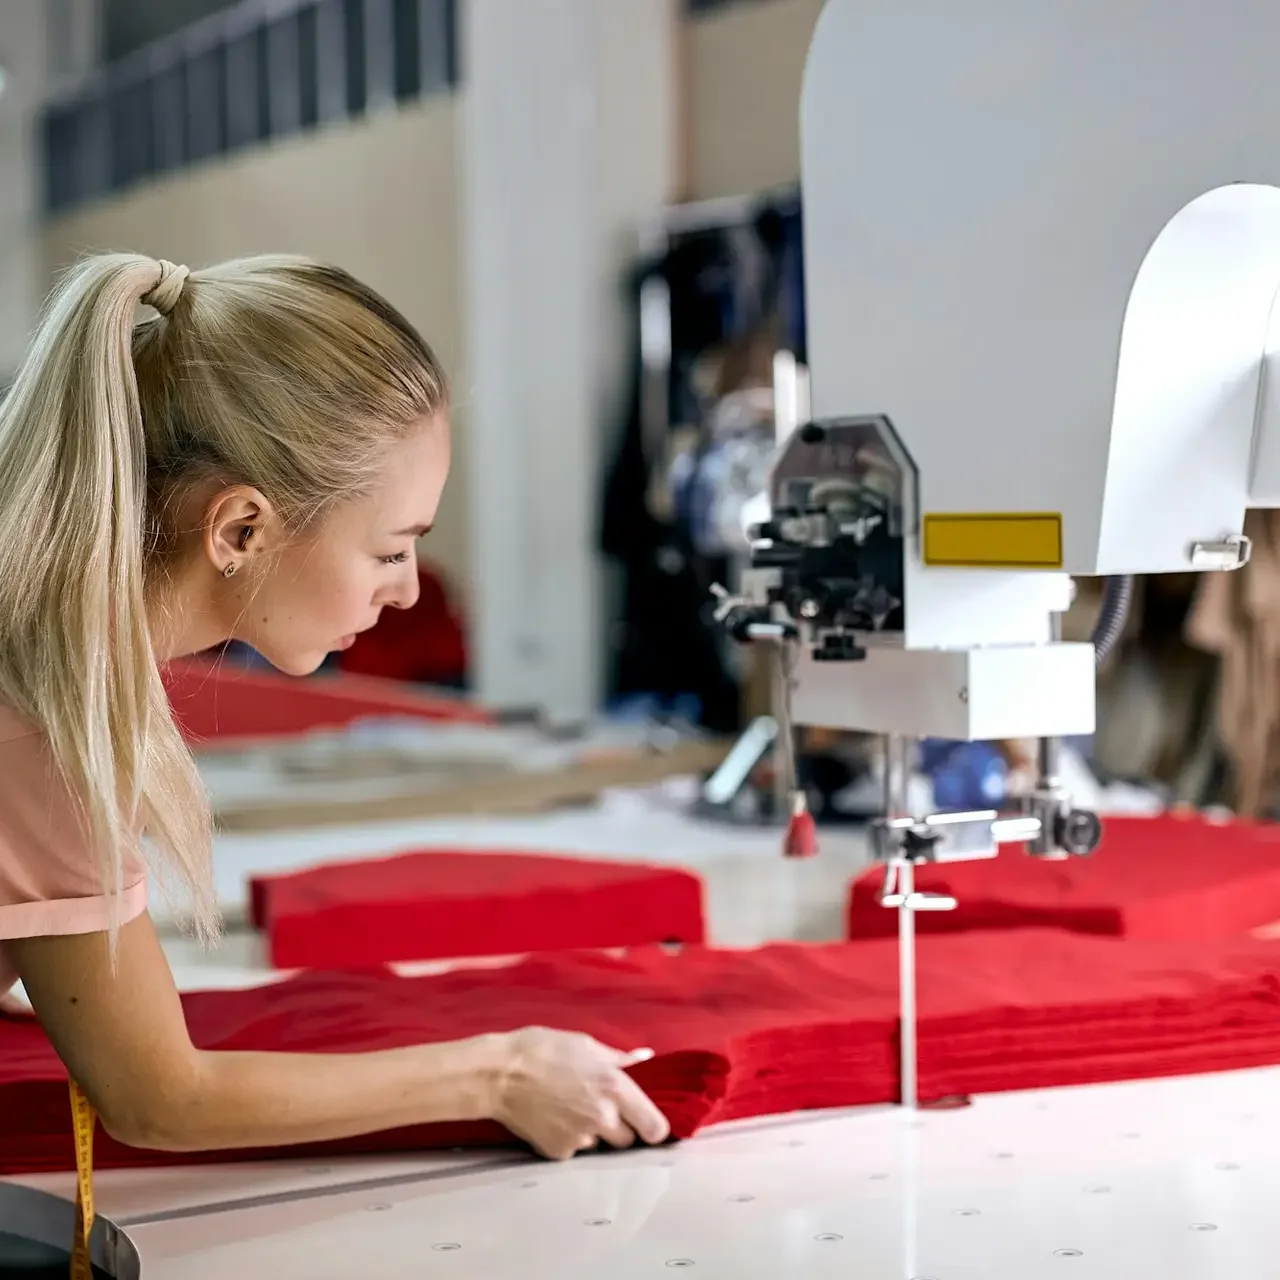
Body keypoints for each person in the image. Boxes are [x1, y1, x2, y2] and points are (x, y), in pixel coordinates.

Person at [0, 253, 670, 1163]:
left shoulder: (47, 652)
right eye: (392, 550)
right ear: (241, 529)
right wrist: (499, 1074)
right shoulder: (40, 720)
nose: (404, 594)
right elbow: (160, 1100)